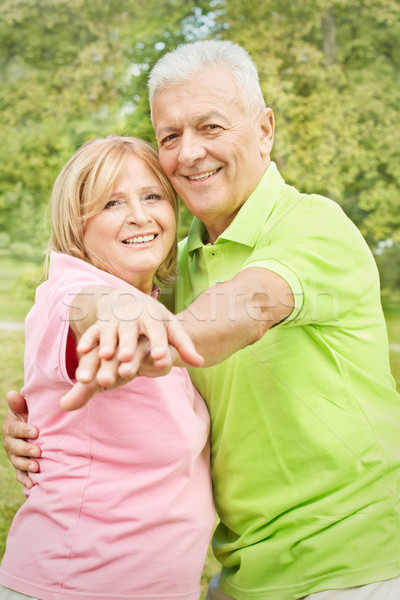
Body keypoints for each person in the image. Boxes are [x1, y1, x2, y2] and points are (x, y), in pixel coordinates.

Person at [3, 40, 400, 600]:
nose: (189, 153)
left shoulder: (313, 225)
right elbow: (81, 300)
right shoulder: (175, 264)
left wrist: (145, 334)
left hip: (352, 567)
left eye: (210, 127)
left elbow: (250, 304)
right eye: (170, 136)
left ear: (264, 129)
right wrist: (43, 426)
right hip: (241, 577)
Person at [0, 135, 215, 600]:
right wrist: (118, 311)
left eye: (152, 196)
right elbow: (88, 308)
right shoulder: (68, 293)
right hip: (73, 585)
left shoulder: (157, 304)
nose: (139, 215)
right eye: (113, 203)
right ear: (76, 227)